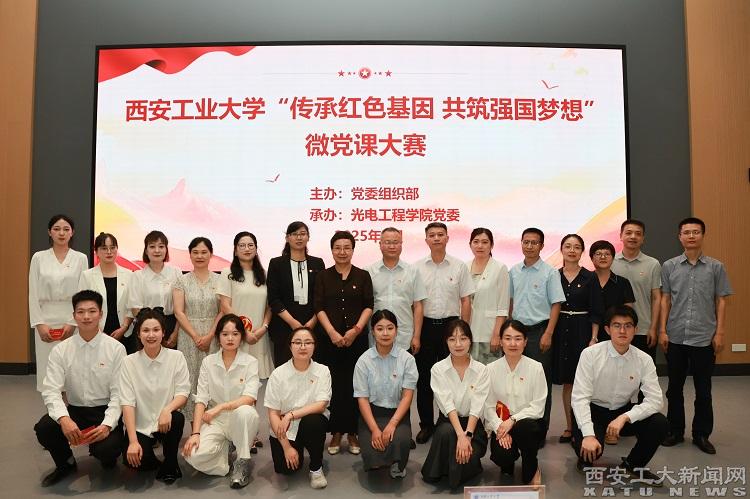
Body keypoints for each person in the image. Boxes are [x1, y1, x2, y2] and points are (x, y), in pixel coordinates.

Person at [34, 290, 126, 487]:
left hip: (104, 410)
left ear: (101, 314)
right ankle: (66, 463)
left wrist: (107, 425)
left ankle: (105, 455)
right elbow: (51, 390)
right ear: (74, 316)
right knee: (45, 428)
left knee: (107, 449)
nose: (86, 317)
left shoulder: (116, 349)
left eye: (92, 311)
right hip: (75, 410)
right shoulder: (61, 350)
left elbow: (119, 394)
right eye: (81, 312)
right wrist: (64, 419)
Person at [660, 217, 732, 455]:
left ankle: (701, 434)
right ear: (679, 236)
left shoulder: (716, 267)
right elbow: (665, 300)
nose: (691, 236)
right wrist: (662, 330)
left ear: (702, 235)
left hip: (704, 337)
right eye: (686, 232)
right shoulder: (669, 266)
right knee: (674, 389)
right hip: (675, 336)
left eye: (696, 232)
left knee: (703, 390)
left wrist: (719, 332)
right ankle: (675, 431)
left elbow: (721, 301)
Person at [572, 306, 668, 485]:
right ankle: (580, 443)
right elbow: (579, 398)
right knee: (591, 452)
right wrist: (588, 434)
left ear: (635, 330)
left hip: (621, 411)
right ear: (607, 329)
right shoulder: (590, 354)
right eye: (617, 325)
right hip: (593, 410)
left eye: (628, 326)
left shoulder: (644, 359)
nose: (622, 331)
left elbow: (655, 400)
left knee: (659, 423)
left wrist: (625, 417)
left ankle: (633, 464)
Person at [182, 314, 261, 489]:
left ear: (242, 337)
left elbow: (250, 397)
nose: (230, 338)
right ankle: (225, 451)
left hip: (241, 419)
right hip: (216, 421)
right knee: (192, 455)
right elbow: (201, 399)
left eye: (235, 334)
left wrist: (220, 407)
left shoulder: (250, 362)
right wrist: (195, 433)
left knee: (245, 412)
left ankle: (242, 461)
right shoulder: (208, 362)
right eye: (225, 334)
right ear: (218, 337)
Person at [414, 222, 475, 444]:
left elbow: (466, 300)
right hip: (426, 326)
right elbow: (416, 303)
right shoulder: (417, 268)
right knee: (424, 379)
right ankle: (426, 425)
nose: (436, 238)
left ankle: (446, 422)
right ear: (426, 240)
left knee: (450, 377)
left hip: (451, 327)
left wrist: (463, 332)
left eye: (441, 234)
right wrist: (416, 334)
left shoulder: (459, 267)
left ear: (447, 238)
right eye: (432, 235)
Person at [314, 230, 374, 455]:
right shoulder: (323, 276)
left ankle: (353, 432)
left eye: (346, 247)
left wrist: (356, 330)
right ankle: (336, 432)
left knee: (355, 385)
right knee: (333, 385)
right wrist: (331, 332)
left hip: (356, 341)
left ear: (353, 250)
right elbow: (318, 306)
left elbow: (369, 305)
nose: (342, 252)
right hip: (329, 341)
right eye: (337, 248)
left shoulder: (363, 275)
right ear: (332, 250)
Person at [508, 227, 565, 446]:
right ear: (521, 243)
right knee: (516, 381)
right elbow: (510, 302)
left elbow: (556, 304)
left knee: (540, 383)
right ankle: (517, 427)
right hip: (516, 333)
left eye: (534, 242)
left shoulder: (550, 273)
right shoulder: (514, 271)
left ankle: (540, 430)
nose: (529, 246)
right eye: (526, 242)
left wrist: (548, 333)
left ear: (541, 246)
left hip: (540, 332)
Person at [119, 308, 190, 483]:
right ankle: (151, 457)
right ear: (138, 334)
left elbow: (183, 392)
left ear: (163, 332)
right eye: (146, 330)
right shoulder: (128, 362)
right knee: (136, 462)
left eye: (156, 330)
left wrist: (167, 409)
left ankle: (171, 461)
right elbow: (127, 403)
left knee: (177, 418)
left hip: (166, 422)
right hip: (141, 424)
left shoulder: (176, 357)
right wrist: (133, 441)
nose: (151, 335)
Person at [422, 319, 489, 488]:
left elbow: (477, 406)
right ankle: (451, 463)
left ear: (470, 341)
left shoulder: (482, 370)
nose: (458, 344)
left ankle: (457, 464)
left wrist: (468, 435)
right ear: (446, 342)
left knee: (466, 458)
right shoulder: (438, 369)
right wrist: (460, 435)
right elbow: (447, 404)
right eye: (452, 339)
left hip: (473, 426)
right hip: (449, 423)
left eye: (463, 338)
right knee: (446, 432)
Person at [265, 327, 332, 489]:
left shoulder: (323, 371)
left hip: (309, 423)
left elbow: (321, 405)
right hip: (285, 429)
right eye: (297, 342)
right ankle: (296, 448)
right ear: (290, 346)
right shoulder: (278, 374)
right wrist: (287, 447)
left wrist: (290, 415)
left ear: (314, 346)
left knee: (314, 422)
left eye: (308, 342)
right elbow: (273, 413)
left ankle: (316, 468)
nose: (303, 347)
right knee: (285, 469)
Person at [354, 310, 418, 479]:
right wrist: (374, 429)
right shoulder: (364, 361)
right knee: (373, 449)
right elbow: (362, 399)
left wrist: (392, 424)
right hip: (372, 413)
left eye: (390, 328)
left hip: (397, 413)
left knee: (400, 440)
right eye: (380, 328)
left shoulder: (407, 360)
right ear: (372, 332)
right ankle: (378, 458)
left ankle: (397, 464)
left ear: (396, 331)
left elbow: (407, 396)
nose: (385, 333)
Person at [29, 214, 88, 391]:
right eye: (56, 229)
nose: (61, 233)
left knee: (71, 370)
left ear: (72, 232)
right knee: (49, 371)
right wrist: (39, 324)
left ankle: (71, 408)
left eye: (66, 229)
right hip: (45, 319)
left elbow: (83, 292)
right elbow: (33, 293)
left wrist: (73, 323)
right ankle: (53, 408)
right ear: (49, 232)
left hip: (72, 319)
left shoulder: (80, 258)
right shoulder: (39, 258)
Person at [551, 234, 599, 444]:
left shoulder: (590, 277)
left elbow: (596, 310)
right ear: (561, 249)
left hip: (582, 331)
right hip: (560, 330)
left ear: (582, 251)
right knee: (568, 381)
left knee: (585, 381)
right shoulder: (553, 276)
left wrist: (594, 337)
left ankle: (586, 427)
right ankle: (570, 427)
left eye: (577, 247)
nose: (572, 250)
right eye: (568, 246)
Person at [485, 320, 546, 486]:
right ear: (501, 341)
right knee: (502, 456)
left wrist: (512, 420)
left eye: (518, 338)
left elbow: (538, 406)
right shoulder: (490, 369)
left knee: (526, 428)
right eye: (508, 338)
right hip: (501, 423)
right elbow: (488, 406)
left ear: (525, 342)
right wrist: (499, 427)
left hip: (528, 423)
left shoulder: (536, 368)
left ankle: (531, 466)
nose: (513, 343)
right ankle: (508, 462)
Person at [173, 236, 222, 422]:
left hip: (214, 335)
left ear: (211, 254)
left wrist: (210, 335)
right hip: (188, 336)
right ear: (190, 254)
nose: (199, 256)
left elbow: (223, 310)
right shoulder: (181, 280)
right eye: (195, 252)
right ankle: (195, 425)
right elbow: (179, 312)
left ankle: (213, 422)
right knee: (191, 378)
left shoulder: (220, 280)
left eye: (204, 252)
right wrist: (195, 336)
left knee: (213, 378)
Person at [267, 221, 325, 367]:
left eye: (303, 234)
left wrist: (312, 322)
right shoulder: (276, 264)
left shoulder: (317, 263)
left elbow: (321, 297)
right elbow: (274, 299)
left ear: (308, 237)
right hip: (284, 326)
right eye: (294, 234)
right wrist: (293, 323)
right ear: (287, 238)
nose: (299, 238)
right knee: (284, 370)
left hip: (313, 325)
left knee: (313, 370)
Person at [218, 231, 274, 379]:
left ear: (256, 249)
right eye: (242, 246)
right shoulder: (227, 273)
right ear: (235, 251)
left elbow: (270, 306)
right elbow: (225, 306)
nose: (247, 249)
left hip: (259, 336)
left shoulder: (265, 274)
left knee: (259, 380)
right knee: (235, 379)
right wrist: (243, 331)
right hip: (236, 334)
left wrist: (263, 328)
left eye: (250, 245)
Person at [366, 227, 426, 352]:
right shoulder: (369, 272)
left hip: (404, 337)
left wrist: (416, 336)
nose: (392, 246)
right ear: (380, 244)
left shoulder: (413, 271)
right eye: (387, 242)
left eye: (395, 242)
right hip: (376, 336)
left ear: (401, 244)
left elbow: (418, 306)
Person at [611, 220, 662, 358]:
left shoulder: (653, 264)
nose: (633, 236)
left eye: (638, 234)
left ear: (643, 238)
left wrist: (653, 328)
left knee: (643, 369)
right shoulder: (610, 262)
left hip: (643, 329)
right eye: (628, 233)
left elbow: (657, 298)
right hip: (616, 328)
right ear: (620, 236)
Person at [79, 232, 134, 353]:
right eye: (104, 248)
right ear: (96, 251)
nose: (109, 252)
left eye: (112, 248)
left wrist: (124, 327)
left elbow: (133, 305)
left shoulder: (129, 274)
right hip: (96, 332)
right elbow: (82, 306)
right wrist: (97, 330)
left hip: (124, 332)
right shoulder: (87, 276)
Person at [128, 230, 182, 348]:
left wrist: (176, 333)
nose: (157, 250)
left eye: (161, 246)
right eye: (152, 246)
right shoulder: (137, 276)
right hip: (146, 327)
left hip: (172, 326)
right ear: (146, 250)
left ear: (166, 249)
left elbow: (182, 307)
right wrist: (150, 330)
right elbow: (135, 308)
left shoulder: (176, 272)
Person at [466, 227, 509, 364]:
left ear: (492, 245)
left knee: (489, 372)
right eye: (476, 241)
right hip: (467, 333)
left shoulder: (500, 268)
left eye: (485, 242)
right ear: (470, 244)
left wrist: (497, 334)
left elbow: (503, 306)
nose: (480, 246)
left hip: (489, 333)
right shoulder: (464, 267)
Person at [590, 239, 635, 341]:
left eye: (607, 254)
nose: (603, 257)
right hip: (587, 332)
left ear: (613, 258)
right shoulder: (585, 281)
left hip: (615, 334)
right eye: (598, 254)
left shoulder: (623, 283)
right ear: (592, 258)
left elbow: (628, 313)